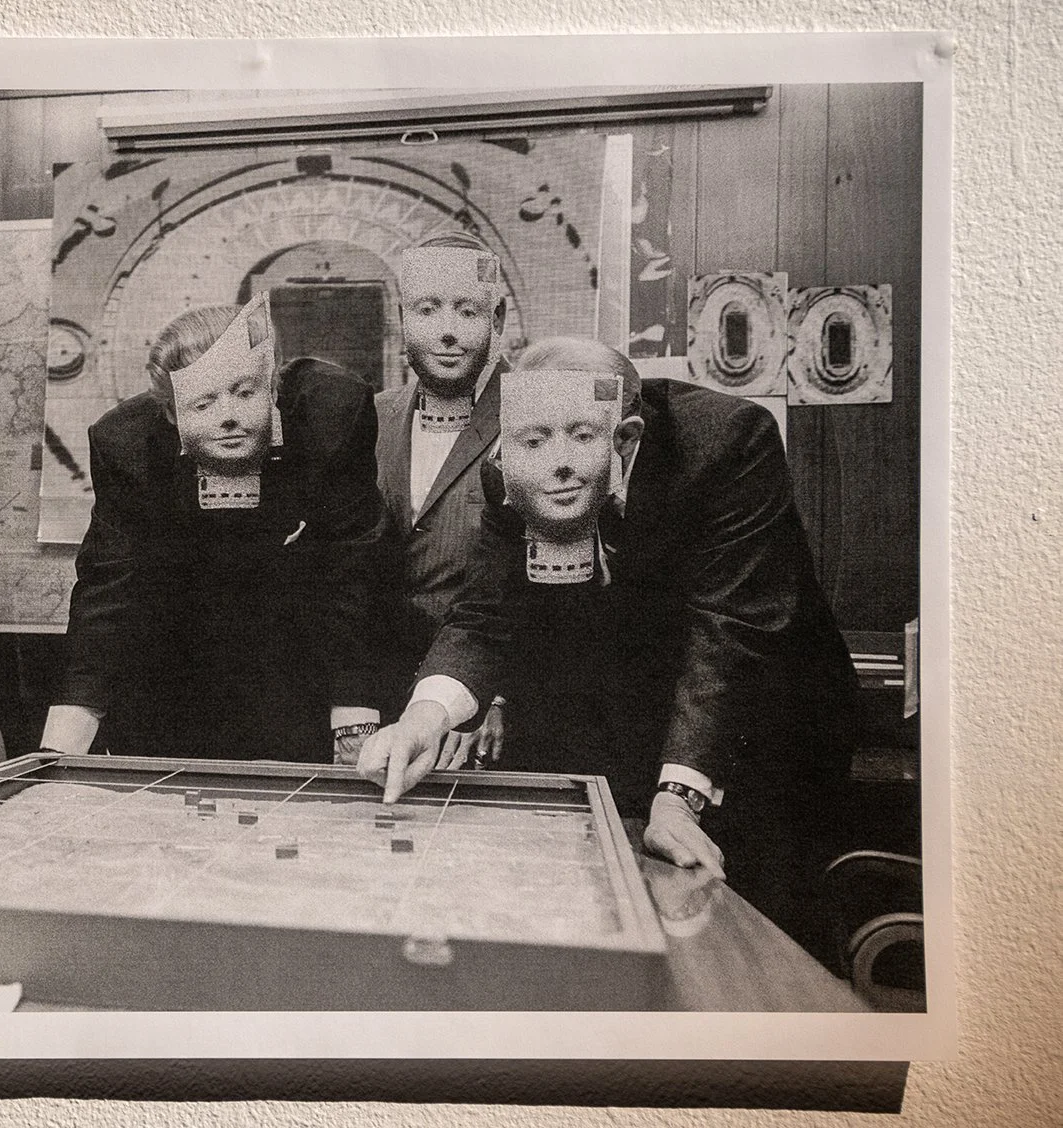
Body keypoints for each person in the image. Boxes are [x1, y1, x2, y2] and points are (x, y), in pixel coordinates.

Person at [358, 337, 856, 959]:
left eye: (580, 439)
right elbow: (486, 613)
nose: (555, 464)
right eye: (533, 443)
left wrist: (677, 798)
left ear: (624, 437)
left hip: (765, 712)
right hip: (632, 700)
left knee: (747, 938)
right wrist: (421, 718)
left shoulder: (727, 443)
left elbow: (728, 628)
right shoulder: (509, 468)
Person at [39, 292, 386, 764]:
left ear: (273, 389)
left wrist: (354, 715)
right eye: (203, 403)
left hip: (297, 671)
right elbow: (109, 587)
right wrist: (64, 738)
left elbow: (352, 566)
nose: (228, 416)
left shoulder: (332, 415)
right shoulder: (127, 445)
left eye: (245, 393)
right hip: (173, 674)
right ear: (170, 416)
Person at [367, 232, 511, 768]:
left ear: (496, 320)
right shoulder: (371, 418)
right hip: (377, 713)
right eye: (427, 311)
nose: (447, 332)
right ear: (403, 320)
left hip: (481, 724)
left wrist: (497, 701)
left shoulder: (539, 422)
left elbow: (543, 595)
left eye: (467, 312)